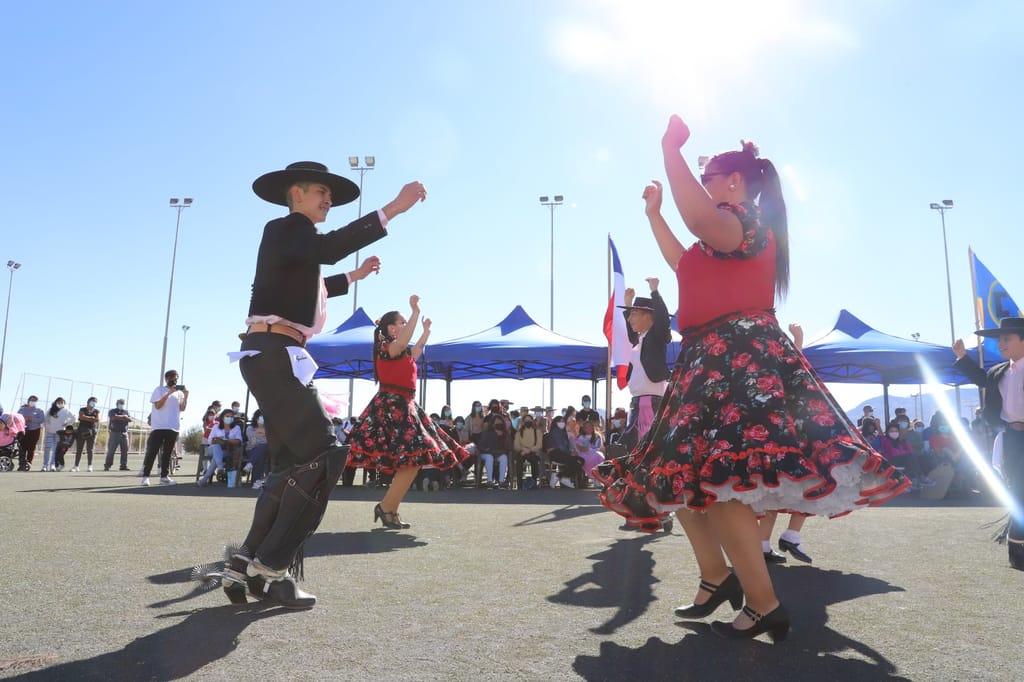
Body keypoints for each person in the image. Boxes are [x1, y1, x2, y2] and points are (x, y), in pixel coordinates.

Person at [595, 117, 908, 643]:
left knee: (718, 486)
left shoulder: (749, 222)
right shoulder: (727, 235)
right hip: (710, 360)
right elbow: (683, 263)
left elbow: (698, 220)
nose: (703, 185)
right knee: (679, 478)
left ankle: (763, 603)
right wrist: (654, 215)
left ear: (735, 182)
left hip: (737, 360)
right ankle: (717, 579)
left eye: (709, 177)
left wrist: (670, 150)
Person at [216, 161, 425, 609]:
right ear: (297, 193)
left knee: (290, 465)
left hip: (272, 354)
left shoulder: (290, 242)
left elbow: (313, 281)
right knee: (326, 455)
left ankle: (247, 563)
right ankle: (270, 567)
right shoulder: (288, 227)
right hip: (275, 354)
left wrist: (354, 277)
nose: (329, 200)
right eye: (321, 192)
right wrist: (393, 209)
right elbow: (327, 251)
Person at [347, 296, 468, 523]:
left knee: (415, 460)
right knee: (413, 459)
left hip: (406, 405)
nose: (404, 325)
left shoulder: (399, 351)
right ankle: (387, 508)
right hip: (393, 407)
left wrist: (426, 332)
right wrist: (415, 312)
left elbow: (416, 350)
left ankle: (388, 508)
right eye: (402, 322)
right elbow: (403, 345)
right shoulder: (386, 347)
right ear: (391, 328)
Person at [954, 317, 1024, 570]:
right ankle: (1017, 549)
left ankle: (1017, 546)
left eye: (1006, 339)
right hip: (1012, 437)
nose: (1001, 344)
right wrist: (962, 357)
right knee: (1017, 490)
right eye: (999, 340)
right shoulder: (999, 372)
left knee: (1021, 491)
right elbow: (982, 379)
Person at [618, 278, 672, 451]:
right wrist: (628, 304)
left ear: (648, 316)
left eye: (634, 314)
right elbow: (630, 330)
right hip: (640, 401)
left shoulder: (656, 336)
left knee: (639, 446)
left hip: (650, 401)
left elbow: (663, 319)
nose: (630, 319)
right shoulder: (640, 338)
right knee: (631, 446)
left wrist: (654, 291)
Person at [142, 372, 187, 486]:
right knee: (152, 452)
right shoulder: (159, 390)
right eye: (172, 378)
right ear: (166, 379)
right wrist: (168, 393)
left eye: (176, 378)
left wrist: (186, 395)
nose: (174, 380)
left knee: (167, 453)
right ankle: (145, 477)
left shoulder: (179, 393)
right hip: (159, 426)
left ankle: (164, 477)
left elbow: (182, 408)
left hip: (173, 427)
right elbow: (158, 406)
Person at [198, 409, 243, 486]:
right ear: (222, 417)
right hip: (212, 448)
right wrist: (217, 440)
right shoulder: (216, 427)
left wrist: (228, 440)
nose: (229, 418)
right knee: (216, 445)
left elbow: (239, 441)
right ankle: (219, 467)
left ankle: (207, 477)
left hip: (227, 450)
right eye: (227, 416)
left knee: (216, 457)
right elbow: (209, 440)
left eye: (231, 417)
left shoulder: (236, 428)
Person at [42, 398, 74, 471]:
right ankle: (45, 465)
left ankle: (52, 464)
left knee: (55, 449)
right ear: (56, 402)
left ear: (64, 403)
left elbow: (73, 417)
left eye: (62, 402)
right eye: (59, 402)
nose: (60, 403)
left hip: (59, 433)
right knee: (47, 448)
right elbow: (45, 419)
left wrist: (67, 423)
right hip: (49, 432)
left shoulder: (66, 411)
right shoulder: (50, 410)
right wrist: (47, 426)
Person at [72, 397, 100, 472]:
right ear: (88, 402)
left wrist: (87, 418)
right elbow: (81, 417)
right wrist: (91, 418)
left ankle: (90, 466)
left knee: (90, 449)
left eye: (95, 402)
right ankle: (76, 466)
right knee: (79, 449)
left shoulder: (96, 411)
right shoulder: (82, 409)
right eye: (93, 401)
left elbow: (97, 419)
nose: (94, 403)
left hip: (92, 432)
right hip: (82, 431)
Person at [104, 398, 132, 471]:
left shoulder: (126, 411)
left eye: (122, 403)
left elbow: (130, 419)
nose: (121, 405)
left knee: (125, 450)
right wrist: (124, 417)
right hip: (114, 433)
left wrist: (121, 417)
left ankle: (123, 465)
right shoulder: (112, 411)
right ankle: (107, 465)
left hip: (124, 433)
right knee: (111, 450)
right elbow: (113, 417)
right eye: (120, 403)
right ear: (117, 404)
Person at [17, 396, 44, 470]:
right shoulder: (22, 410)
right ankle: (21, 464)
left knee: (31, 448)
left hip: (35, 431)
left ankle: (28, 463)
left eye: (35, 401)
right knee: (22, 448)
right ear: (28, 401)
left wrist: (31, 419)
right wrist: (24, 419)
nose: (33, 402)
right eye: (32, 400)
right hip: (23, 431)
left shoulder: (39, 410)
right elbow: (17, 418)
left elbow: (41, 420)